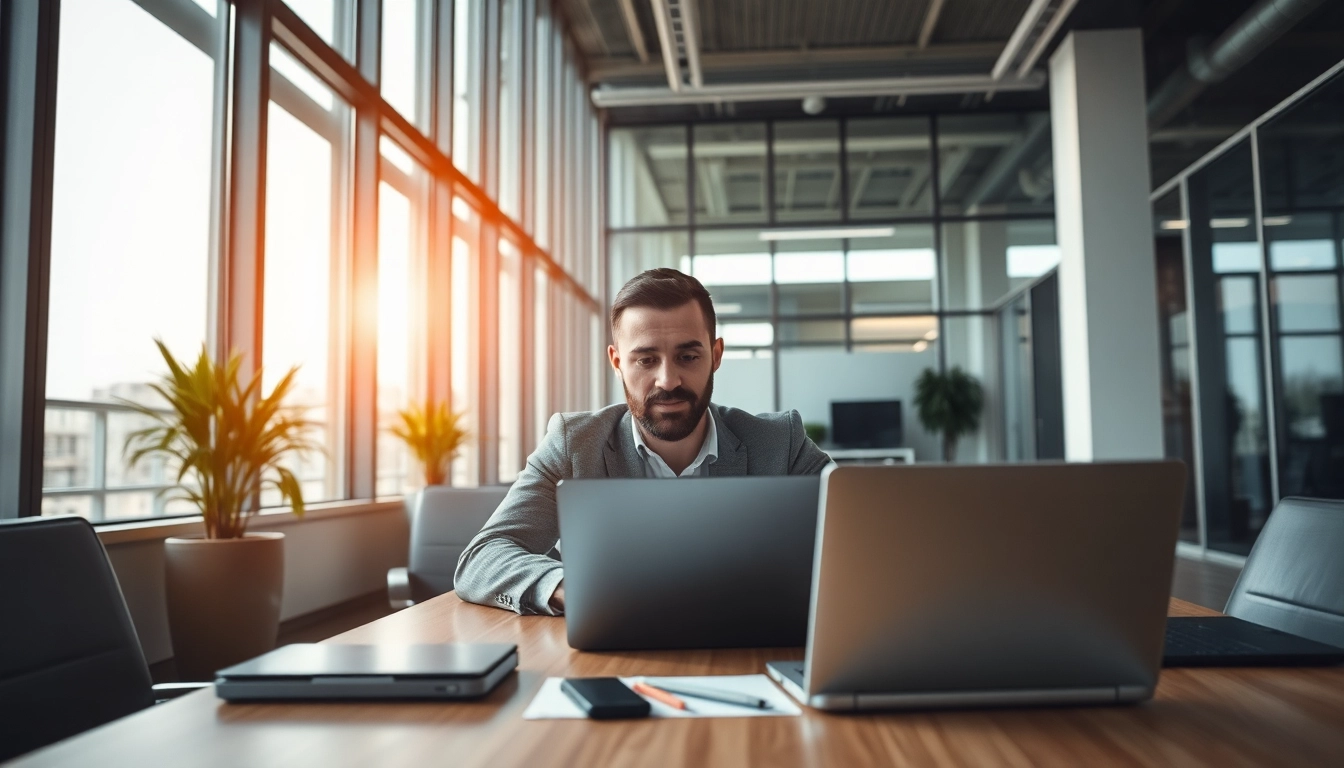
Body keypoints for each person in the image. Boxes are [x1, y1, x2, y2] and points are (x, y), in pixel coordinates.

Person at [454, 268, 831, 615]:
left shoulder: (781, 442)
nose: (668, 380)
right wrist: (573, 587)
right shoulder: (574, 445)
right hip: (611, 658)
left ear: (715, 355)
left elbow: (862, 538)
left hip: (749, 650)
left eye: (687, 356)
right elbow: (482, 558)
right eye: (646, 360)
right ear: (617, 362)